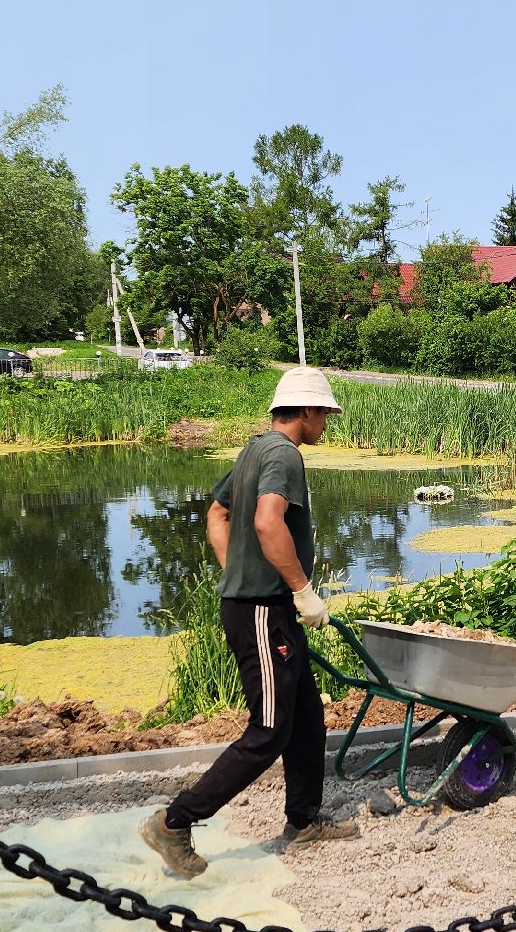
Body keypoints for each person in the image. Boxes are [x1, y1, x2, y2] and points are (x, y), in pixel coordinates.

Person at [142, 366, 361, 878]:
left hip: (264, 604)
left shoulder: (254, 449)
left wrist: (237, 568)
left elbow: (217, 514)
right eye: (324, 414)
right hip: (262, 611)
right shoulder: (283, 454)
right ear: (306, 411)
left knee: (306, 717)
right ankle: (175, 822)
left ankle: (304, 821)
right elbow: (266, 521)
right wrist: (302, 588)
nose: (326, 424)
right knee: (268, 730)